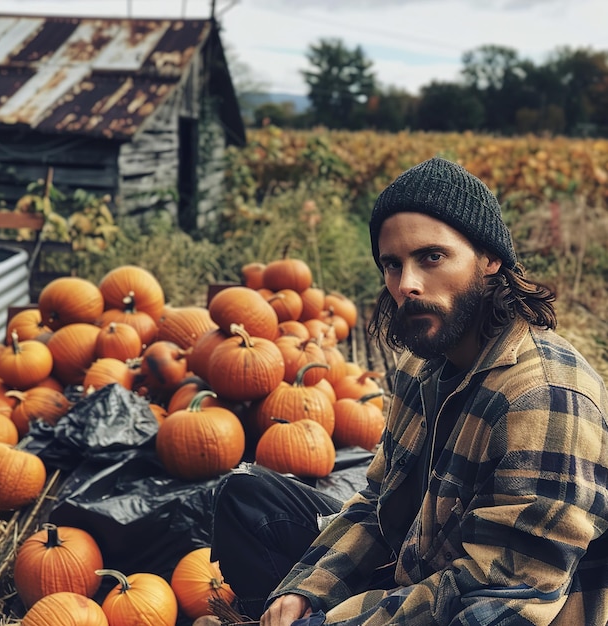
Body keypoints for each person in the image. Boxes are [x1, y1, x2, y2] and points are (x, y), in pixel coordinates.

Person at [207, 157, 608, 626]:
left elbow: (498, 603)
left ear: (490, 258)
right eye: (392, 265)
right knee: (247, 501)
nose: (407, 285)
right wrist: (306, 589)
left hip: (495, 609)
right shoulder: (421, 363)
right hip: (421, 565)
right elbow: (378, 501)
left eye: (432, 257)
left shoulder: (545, 397)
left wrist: (334, 622)